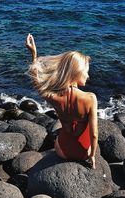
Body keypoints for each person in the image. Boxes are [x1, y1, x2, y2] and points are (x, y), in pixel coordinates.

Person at [26, 33, 98, 169]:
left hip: (62, 151)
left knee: (61, 131)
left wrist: (33, 54)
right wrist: (92, 156)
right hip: (83, 153)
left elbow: (37, 83)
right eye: (86, 72)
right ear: (76, 72)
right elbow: (94, 135)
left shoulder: (55, 98)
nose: (88, 76)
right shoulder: (90, 98)